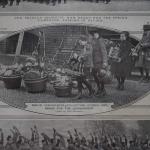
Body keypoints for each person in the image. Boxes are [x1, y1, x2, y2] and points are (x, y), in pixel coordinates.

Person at [69, 35, 94, 99]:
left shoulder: (89, 47)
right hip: (82, 65)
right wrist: (73, 59)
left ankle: (91, 90)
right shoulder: (83, 47)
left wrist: (77, 57)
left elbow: (85, 57)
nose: (80, 43)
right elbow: (80, 56)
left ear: (85, 41)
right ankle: (80, 94)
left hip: (87, 66)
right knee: (79, 78)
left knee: (83, 79)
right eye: (79, 41)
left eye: (81, 41)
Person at [90, 30, 108, 96]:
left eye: (96, 34)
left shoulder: (100, 41)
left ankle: (102, 90)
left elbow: (104, 52)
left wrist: (105, 62)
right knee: (95, 75)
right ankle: (99, 88)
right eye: (94, 34)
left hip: (100, 61)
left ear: (99, 34)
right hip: (94, 62)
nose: (95, 35)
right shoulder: (93, 41)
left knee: (100, 76)